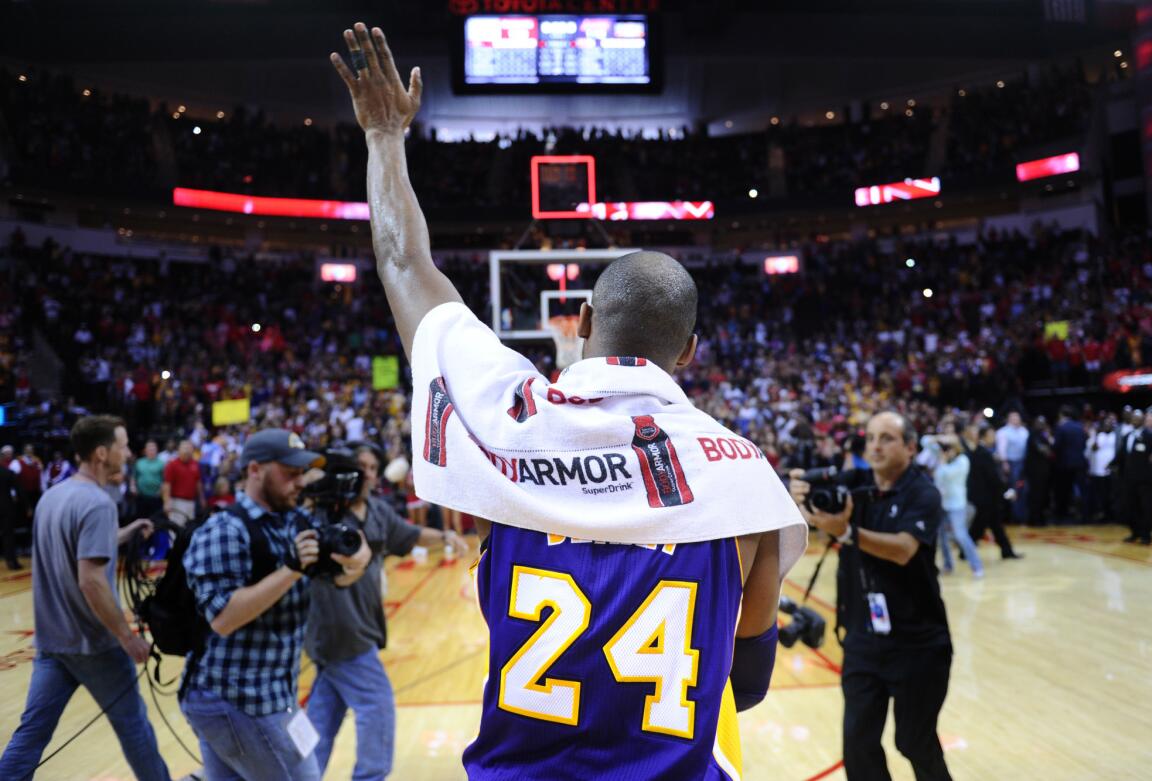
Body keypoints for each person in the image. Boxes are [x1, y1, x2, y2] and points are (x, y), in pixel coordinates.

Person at [330, 23, 805, 780]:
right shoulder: (748, 478)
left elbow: (401, 259)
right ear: (689, 352)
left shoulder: (503, 415)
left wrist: (385, 137)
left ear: (578, 321)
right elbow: (743, 689)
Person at [180, 428, 372, 780]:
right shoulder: (224, 530)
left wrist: (356, 559)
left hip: (269, 693)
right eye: (289, 473)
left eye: (301, 474)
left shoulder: (293, 522)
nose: (298, 483)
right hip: (235, 696)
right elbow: (222, 618)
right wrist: (291, 569)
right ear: (255, 470)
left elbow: (339, 578)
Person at [0, 416, 169, 780]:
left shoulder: (53, 496)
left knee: (31, 735)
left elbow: (80, 545)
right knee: (135, 729)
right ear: (101, 453)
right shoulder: (97, 504)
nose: (128, 453)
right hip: (94, 645)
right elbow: (91, 580)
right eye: (123, 446)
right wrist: (127, 637)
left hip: (52, 643)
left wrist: (127, 532)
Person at [791, 411, 954, 781]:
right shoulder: (855, 482)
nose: (875, 446)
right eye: (871, 438)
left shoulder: (923, 492)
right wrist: (801, 494)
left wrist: (847, 532)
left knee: (914, 742)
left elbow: (903, 549)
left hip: (918, 644)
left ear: (911, 447)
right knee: (858, 745)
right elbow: (817, 513)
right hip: (863, 638)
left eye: (887, 438)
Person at [305, 443, 469, 780]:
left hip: (358, 629)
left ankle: (300, 776)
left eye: (371, 466)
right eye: (360, 466)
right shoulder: (325, 516)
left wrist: (447, 535)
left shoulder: (377, 511)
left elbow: (409, 535)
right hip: (342, 634)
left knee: (320, 725)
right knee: (377, 709)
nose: (367, 472)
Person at [923, 433, 983, 578]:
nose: (946, 451)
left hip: (957, 504)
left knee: (960, 534)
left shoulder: (962, 461)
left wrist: (942, 462)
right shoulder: (943, 457)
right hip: (941, 503)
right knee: (941, 536)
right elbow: (924, 441)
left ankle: (977, 566)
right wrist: (939, 438)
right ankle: (948, 565)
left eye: (949, 448)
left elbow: (944, 475)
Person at [963, 424, 1020, 559]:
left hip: (984, 495)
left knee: (993, 524)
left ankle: (1006, 551)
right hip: (985, 496)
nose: (994, 438)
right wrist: (1006, 491)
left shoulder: (980, 452)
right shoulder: (984, 453)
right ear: (985, 436)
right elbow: (993, 477)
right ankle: (965, 551)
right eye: (992, 435)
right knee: (980, 526)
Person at [1112, 410, 1152, 544]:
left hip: (1145, 479)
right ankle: (1135, 533)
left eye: (1137, 418)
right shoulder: (1128, 436)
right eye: (1133, 418)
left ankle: (1146, 536)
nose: (1135, 420)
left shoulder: (1151, 435)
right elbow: (1121, 454)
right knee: (1130, 506)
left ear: (1143, 420)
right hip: (1129, 479)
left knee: (1145, 507)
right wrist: (1111, 464)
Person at [1051, 407, 1088, 522]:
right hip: (1080, 462)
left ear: (1062, 415)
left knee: (1064, 490)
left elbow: (1056, 446)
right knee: (1081, 490)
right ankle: (1084, 514)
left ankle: (1063, 514)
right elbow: (1084, 444)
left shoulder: (1061, 427)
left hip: (1065, 464)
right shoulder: (1080, 426)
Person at [162, 439, 203, 525]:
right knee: (176, 527)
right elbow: (166, 485)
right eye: (184, 448)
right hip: (177, 502)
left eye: (189, 448)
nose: (187, 450)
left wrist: (202, 498)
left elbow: (198, 483)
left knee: (189, 528)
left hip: (191, 502)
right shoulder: (172, 464)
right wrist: (166, 502)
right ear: (178, 450)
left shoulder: (195, 464)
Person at [1084, 416, 1117, 523]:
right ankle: (1101, 513)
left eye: (1109, 424)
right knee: (1100, 495)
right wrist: (1096, 437)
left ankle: (1111, 514)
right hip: (1097, 471)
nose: (1107, 426)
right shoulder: (1098, 436)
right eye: (1105, 424)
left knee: (1111, 494)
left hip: (1112, 469)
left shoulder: (1115, 436)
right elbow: (1090, 451)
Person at [1024, 416, 1054, 526]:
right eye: (1039, 423)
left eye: (1043, 423)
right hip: (1035, 471)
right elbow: (1045, 451)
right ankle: (1034, 518)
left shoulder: (1043, 435)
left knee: (1042, 494)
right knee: (1035, 495)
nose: (1041, 425)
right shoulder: (1033, 435)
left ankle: (1039, 517)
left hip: (1043, 470)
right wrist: (1049, 450)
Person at [132, 440, 165, 520]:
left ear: (157, 450)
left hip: (155, 497)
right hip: (141, 497)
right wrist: (133, 487)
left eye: (153, 449)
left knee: (155, 520)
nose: (151, 451)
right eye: (149, 449)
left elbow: (165, 480)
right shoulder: (139, 462)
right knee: (141, 519)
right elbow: (133, 477)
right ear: (145, 450)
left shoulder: (161, 463)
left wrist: (160, 491)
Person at [0, 457, 23, 569]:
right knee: (8, 535)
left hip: (6, 506)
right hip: (6, 506)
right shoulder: (8, 472)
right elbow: (19, 490)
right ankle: (11, 561)